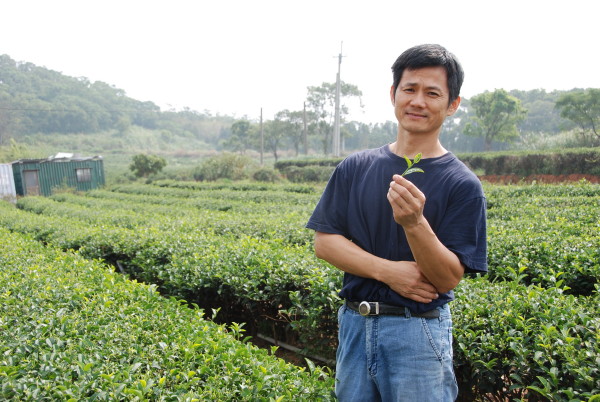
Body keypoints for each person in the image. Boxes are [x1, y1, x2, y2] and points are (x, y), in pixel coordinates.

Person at [305, 44, 487, 401]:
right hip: (355, 325)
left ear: (452, 105)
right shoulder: (355, 167)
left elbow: (449, 277)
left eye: (432, 93)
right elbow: (325, 242)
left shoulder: (462, 184)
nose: (418, 101)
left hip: (417, 333)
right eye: (410, 89)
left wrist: (414, 223)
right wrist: (388, 271)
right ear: (393, 94)